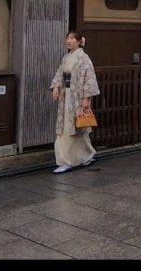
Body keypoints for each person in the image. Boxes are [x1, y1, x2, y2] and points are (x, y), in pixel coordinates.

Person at [50, 31, 100, 174]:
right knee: (69, 129)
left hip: (77, 97)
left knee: (77, 128)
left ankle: (72, 160)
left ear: (79, 41)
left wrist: (86, 99)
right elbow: (60, 74)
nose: (69, 41)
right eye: (67, 38)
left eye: (72, 38)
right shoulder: (66, 58)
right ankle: (80, 157)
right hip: (66, 96)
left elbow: (89, 78)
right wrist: (56, 86)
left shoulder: (84, 58)